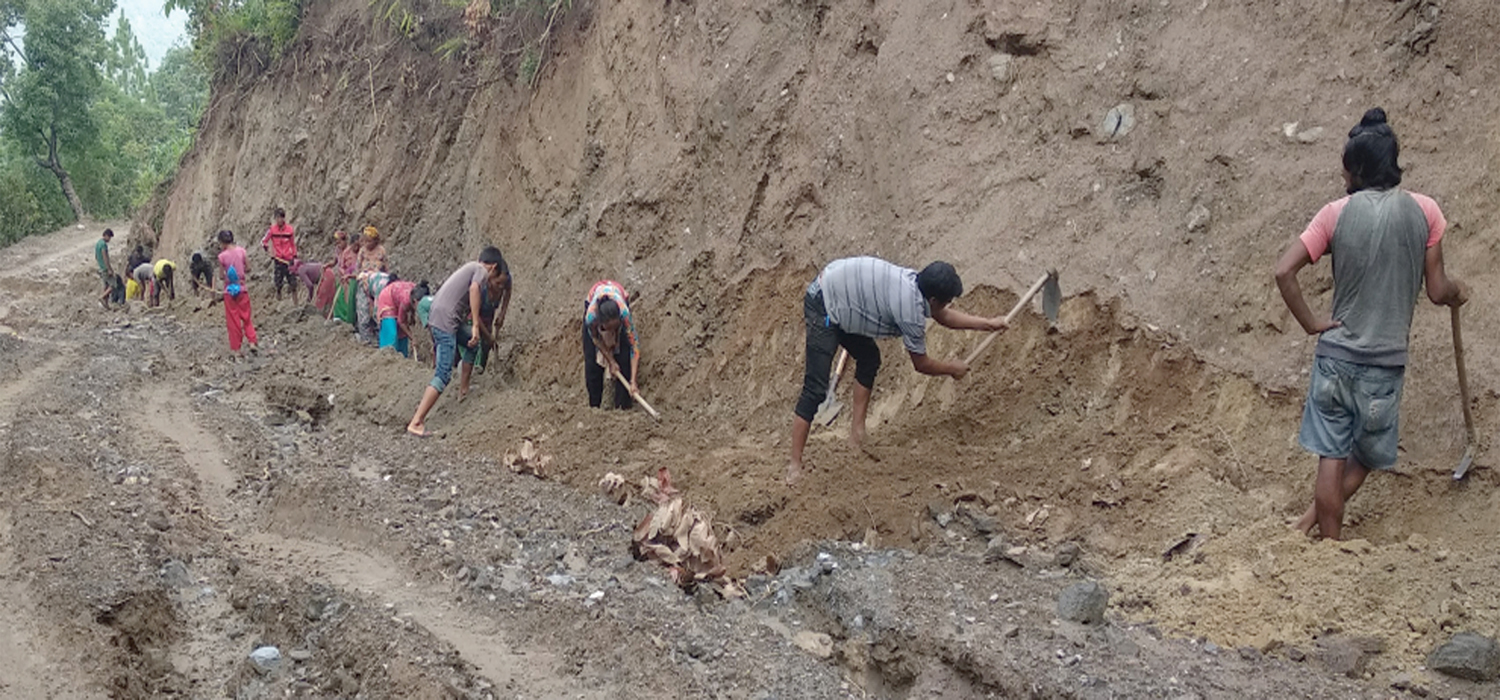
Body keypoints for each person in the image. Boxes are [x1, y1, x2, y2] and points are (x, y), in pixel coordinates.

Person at [1276, 108, 1467, 540]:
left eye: (1346, 170)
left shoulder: (1336, 214)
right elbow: (1438, 290)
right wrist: (1459, 291)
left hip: (1335, 358)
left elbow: (1283, 271)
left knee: (1331, 454)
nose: (1343, 178)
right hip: (1384, 363)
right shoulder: (1426, 212)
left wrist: (1311, 324)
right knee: (1363, 456)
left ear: (1359, 170)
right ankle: (1322, 535)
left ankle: (1325, 539)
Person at [786, 257, 1010, 484]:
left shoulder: (915, 283)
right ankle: (794, 466)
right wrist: (951, 369)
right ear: (932, 299)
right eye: (946, 301)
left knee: (869, 358)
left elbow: (943, 315)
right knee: (815, 389)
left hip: (844, 297)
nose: (947, 305)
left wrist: (988, 324)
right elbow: (920, 364)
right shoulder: (910, 310)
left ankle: (857, 435)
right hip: (824, 302)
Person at [406, 246, 509, 437]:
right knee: (443, 373)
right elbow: (474, 288)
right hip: (445, 321)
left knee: (472, 343)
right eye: (495, 280)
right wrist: (477, 326)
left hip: (444, 317)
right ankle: (416, 421)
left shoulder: (469, 267)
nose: (493, 286)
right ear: (493, 267)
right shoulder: (480, 271)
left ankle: (463, 390)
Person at [454, 260, 512, 396]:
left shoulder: (506, 282)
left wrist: (502, 314)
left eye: (503, 284)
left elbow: (508, 292)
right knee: (476, 343)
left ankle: (481, 373)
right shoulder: (482, 287)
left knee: (486, 347)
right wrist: (487, 336)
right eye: (498, 283)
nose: (500, 287)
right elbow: (476, 317)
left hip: (488, 315)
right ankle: (466, 375)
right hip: (473, 317)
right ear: (491, 278)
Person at [582, 280, 638, 409]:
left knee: (624, 357)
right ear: (601, 323)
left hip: (618, 298)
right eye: (609, 328)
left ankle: (622, 406)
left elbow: (635, 347)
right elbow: (595, 339)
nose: (612, 332)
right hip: (594, 299)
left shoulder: (624, 314)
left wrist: (633, 381)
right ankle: (594, 406)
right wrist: (611, 361)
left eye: (615, 328)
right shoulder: (591, 318)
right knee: (592, 362)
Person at [217, 230, 260, 355]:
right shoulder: (242, 251)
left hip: (229, 292)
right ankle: (252, 341)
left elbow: (220, 275)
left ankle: (237, 349)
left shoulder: (222, 256)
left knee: (233, 320)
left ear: (222, 242)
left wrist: (227, 276)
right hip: (242, 289)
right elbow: (248, 268)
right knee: (246, 317)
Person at [377, 278, 426, 358]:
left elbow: (411, 308)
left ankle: (403, 356)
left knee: (402, 334)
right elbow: (401, 322)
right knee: (392, 331)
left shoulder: (418, 292)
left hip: (398, 298)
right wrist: (412, 337)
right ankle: (388, 356)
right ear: (415, 301)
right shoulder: (406, 300)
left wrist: (412, 315)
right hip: (388, 298)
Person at [260, 207, 298, 301]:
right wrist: (270, 252)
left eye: (281, 217)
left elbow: (293, 244)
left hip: (288, 259)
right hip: (278, 259)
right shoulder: (272, 230)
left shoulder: (289, 230)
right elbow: (263, 242)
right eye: (277, 218)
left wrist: (294, 255)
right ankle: (279, 300)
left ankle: (295, 302)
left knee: (293, 282)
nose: (279, 220)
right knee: (278, 283)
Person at [95, 228, 118, 309]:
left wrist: (100, 265)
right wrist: (109, 269)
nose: (109, 239)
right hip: (105, 268)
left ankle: (106, 304)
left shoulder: (98, 243)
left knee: (105, 286)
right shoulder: (103, 245)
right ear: (106, 235)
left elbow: (96, 257)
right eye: (109, 237)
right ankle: (102, 297)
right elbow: (105, 257)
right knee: (113, 285)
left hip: (101, 267)